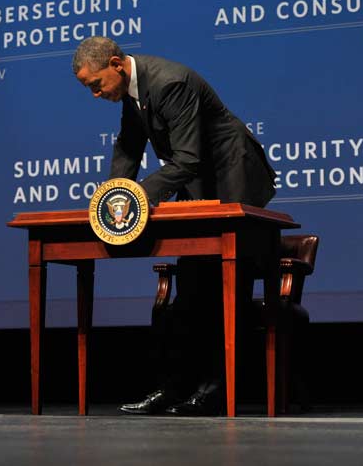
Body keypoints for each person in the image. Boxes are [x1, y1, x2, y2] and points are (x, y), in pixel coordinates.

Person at [72, 36, 277, 415]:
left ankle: (216, 391)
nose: (95, 95)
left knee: (223, 288)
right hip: (202, 182)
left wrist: (139, 196)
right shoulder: (134, 93)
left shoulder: (169, 83)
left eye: (95, 85)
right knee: (190, 290)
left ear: (116, 64)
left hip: (233, 176)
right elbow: (129, 149)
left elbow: (187, 158)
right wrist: (113, 197)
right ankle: (174, 389)